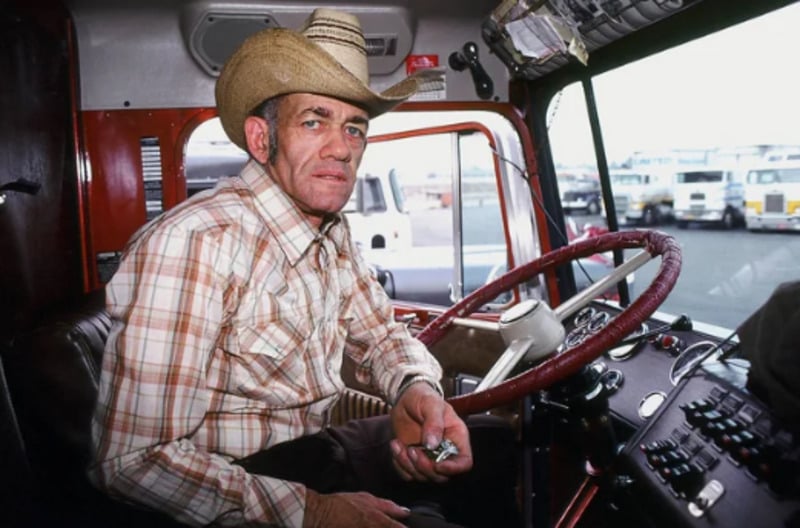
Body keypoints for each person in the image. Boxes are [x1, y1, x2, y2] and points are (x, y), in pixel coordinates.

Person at [88, 8, 519, 528]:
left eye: (354, 128)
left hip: (312, 451)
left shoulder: (328, 231)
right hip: (234, 480)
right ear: (261, 138)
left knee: (494, 441)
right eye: (314, 121)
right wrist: (315, 513)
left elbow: (380, 333)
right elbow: (132, 463)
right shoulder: (194, 246)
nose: (341, 148)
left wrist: (415, 390)